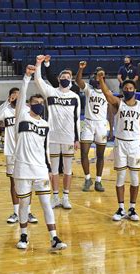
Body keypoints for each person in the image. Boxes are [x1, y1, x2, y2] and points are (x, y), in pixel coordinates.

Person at [14, 64, 67, 251]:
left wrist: (50, 170)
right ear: (30, 104)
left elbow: (45, 149)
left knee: (46, 204)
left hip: (40, 170)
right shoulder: (21, 116)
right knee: (24, 204)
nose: (39, 105)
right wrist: (27, 78)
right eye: (36, 102)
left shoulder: (45, 124)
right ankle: (23, 236)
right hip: (21, 169)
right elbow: (21, 98)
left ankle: (54, 238)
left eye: (41, 102)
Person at [97, 71, 140, 222]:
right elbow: (107, 94)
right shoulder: (118, 103)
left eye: (131, 88)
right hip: (120, 143)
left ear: (135, 90)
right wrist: (101, 80)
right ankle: (120, 208)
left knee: (134, 177)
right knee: (120, 176)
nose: (128, 90)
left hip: (135, 144)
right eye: (126, 88)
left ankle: (132, 208)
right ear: (122, 90)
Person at [34, 55, 81, 209]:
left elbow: (76, 119)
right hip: (52, 137)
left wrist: (77, 139)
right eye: (63, 76)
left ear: (71, 80)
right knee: (53, 170)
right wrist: (39, 63)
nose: (65, 78)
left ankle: (65, 197)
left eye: (68, 77)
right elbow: (39, 80)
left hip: (68, 137)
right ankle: (55, 197)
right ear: (59, 78)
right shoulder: (51, 92)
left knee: (68, 170)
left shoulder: (75, 97)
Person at [0, 87, 38, 224]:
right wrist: (7, 101)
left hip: (25, 151)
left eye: (18, 95)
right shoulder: (6, 110)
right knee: (13, 182)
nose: (16, 97)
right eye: (13, 95)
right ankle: (16, 212)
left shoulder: (26, 110)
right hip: (11, 151)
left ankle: (28, 212)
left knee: (27, 182)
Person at [75, 61, 108, 192]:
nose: (97, 77)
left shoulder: (107, 92)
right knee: (84, 153)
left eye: (100, 75)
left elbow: (110, 111)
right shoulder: (88, 88)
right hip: (88, 123)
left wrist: (111, 126)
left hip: (101, 124)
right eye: (96, 74)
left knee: (100, 155)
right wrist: (80, 69)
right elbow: (78, 80)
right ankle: (88, 178)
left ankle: (98, 181)